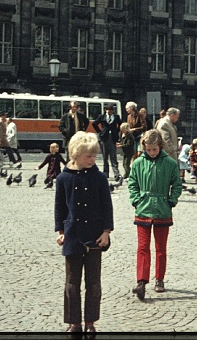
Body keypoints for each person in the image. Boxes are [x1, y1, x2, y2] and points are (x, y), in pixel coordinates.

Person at [54, 131, 113, 334]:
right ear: (76, 155)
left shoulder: (99, 178)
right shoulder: (63, 178)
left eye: (94, 155)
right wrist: (60, 231)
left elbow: (107, 207)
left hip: (95, 236)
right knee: (72, 283)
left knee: (94, 283)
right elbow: (60, 207)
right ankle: (74, 322)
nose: (92, 159)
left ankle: (90, 321)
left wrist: (106, 231)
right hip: (72, 235)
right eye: (88, 156)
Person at [128, 129, 182, 299]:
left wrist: (171, 201)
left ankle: (159, 278)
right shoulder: (137, 163)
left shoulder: (170, 163)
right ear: (143, 147)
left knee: (160, 248)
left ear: (160, 146)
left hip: (162, 210)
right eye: (148, 149)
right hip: (143, 209)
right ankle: (141, 281)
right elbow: (132, 183)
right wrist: (136, 200)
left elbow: (177, 184)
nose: (151, 152)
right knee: (143, 247)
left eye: (154, 149)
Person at [93, 103, 121, 180]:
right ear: (105, 110)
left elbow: (120, 125)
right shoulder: (102, 117)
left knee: (113, 156)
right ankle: (106, 173)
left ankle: (116, 173)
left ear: (112, 111)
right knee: (105, 156)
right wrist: (100, 132)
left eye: (110, 110)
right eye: (107, 110)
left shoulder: (116, 117)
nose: (109, 111)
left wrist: (116, 131)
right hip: (104, 138)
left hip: (112, 138)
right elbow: (94, 124)